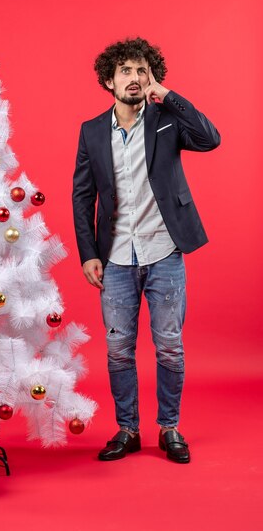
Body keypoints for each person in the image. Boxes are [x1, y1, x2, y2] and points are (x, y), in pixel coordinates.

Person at [72, 37, 220, 463]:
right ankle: (128, 429)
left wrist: (168, 96)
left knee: (169, 344)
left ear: (150, 75)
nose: (134, 78)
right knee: (119, 348)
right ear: (108, 80)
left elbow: (210, 139)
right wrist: (88, 252)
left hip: (164, 251)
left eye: (141, 70)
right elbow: (83, 196)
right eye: (125, 71)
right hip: (115, 256)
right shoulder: (91, 131)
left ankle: (170, 428)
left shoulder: (166, 120)